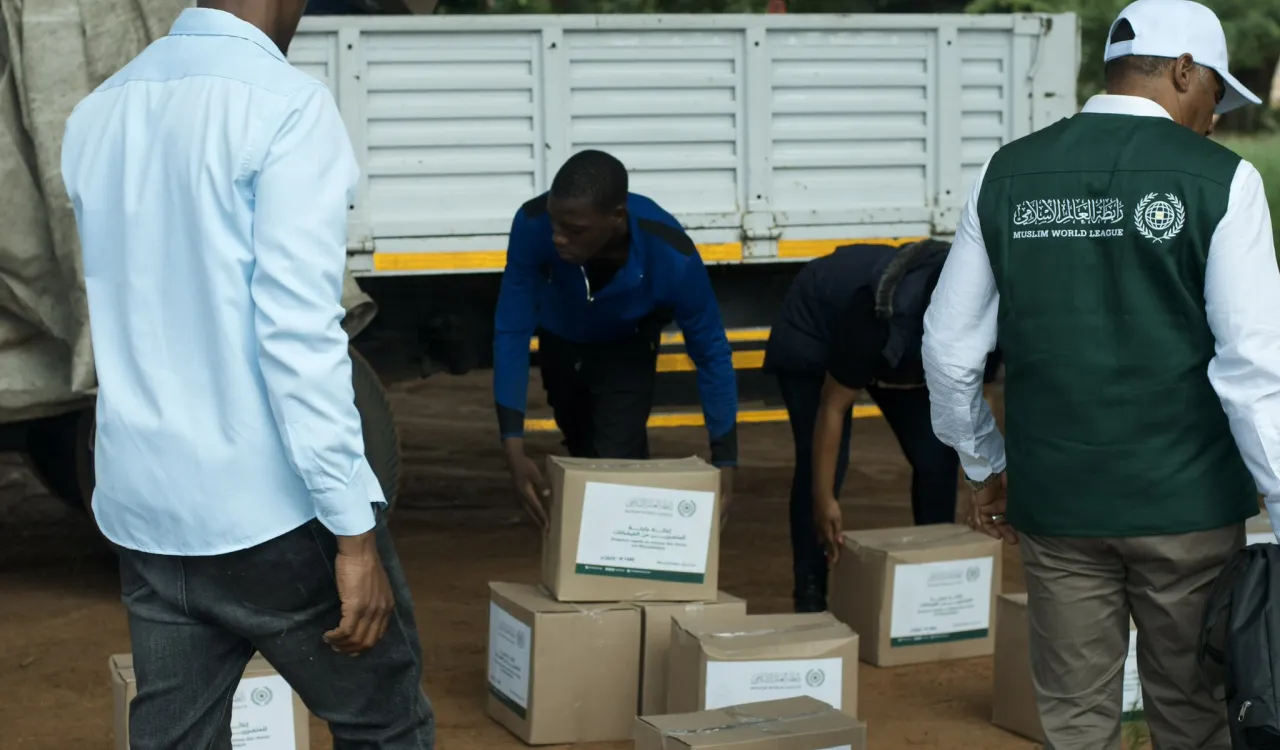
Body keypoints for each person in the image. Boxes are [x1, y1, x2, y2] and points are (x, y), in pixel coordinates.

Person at [60, 3, 434, 748]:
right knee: (386, 725)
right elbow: (297, 335)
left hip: (148, 514)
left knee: (175, 739)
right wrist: (354, 537)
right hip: (271, 514)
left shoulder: (99, 112)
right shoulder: (285, 106)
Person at [921, 1, 1280, 748]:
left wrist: (987, 464)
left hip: (1058, 506)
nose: (1214, 117)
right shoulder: (1224, 181)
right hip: (1189, 509)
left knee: (1076, 719)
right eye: (1215, 92)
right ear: (1184, 70)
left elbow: (950, 350)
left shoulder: (1007, 171)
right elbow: (1254, 371)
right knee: (1193, 712)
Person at [493, 150, 738, 526]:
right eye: (555, 223)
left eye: (574, 230)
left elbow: (712, 355)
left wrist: (726, 461)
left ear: (616, 217)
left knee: (611, 468)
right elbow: (511, 329)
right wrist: (512, 445)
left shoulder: (671, 255)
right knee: (580, 455)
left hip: (627, 344)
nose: (558, 237)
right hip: (561, 343)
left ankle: (618, 567)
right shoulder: (531, 223)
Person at [763, 239, 1001, 612]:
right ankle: (810, 593)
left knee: (936, 457)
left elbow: (978, 399)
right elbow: (833, 405)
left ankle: (934, 581)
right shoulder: (880, 316)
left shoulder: (989, 313)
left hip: (898, 351)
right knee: (822, 470)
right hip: (816, 330)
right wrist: (825, 499)